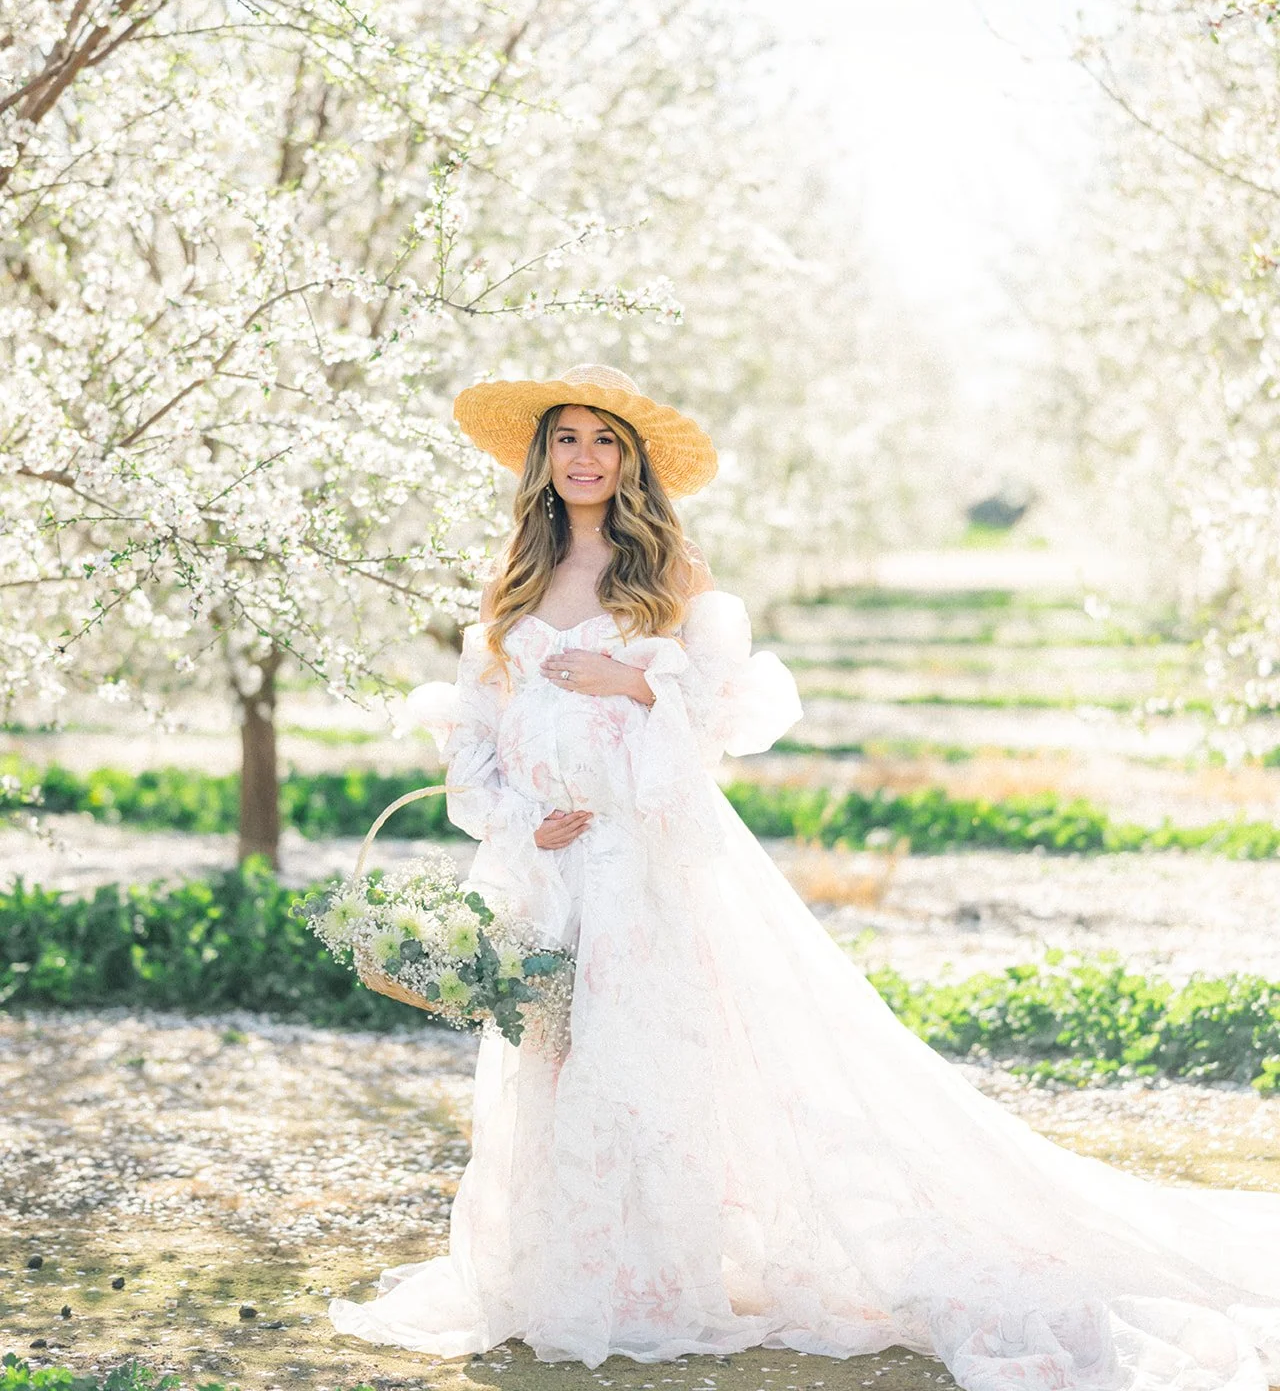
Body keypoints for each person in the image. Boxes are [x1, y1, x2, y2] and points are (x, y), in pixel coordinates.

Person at [331, 364, 1280, 1390]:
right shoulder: (508, 588)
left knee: (640, 1073)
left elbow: (700, 742)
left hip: (639, 875)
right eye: (565, 439)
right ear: (541, 457)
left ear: (630, 461)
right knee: (550, 1076)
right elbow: (471, 760)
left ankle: (649, 1284)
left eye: (603, 441)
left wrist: (633, 680)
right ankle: (557, 1278)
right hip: (540, 876)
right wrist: (526, 823)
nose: (584, 458)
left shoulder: (668, 579)